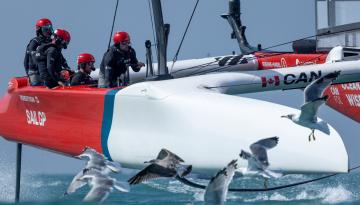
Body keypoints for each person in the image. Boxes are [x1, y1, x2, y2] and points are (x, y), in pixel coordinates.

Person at [24, 18, 53, 86]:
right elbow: (27, 60)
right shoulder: (35, 42)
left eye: (50, 28)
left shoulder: (50, 42)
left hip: (46, 72)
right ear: (40, 30)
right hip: (35, 73)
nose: (49, 31)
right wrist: (28, 74)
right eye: (46, 28)